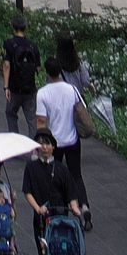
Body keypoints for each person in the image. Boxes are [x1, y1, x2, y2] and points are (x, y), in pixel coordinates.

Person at [34, 33, 99, 217]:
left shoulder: (43, 93)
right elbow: (81, 109)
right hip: (72, 139)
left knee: (54, 174)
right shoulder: (72, 89)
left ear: (48, 72)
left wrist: (39, 145)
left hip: (54, 141)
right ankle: (84, 206)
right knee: (76, 174)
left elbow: (41, 121)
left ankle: (61, 208)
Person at [1, 11, 40, 136]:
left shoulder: (9, 44)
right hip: (30, 88)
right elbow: (38, 68)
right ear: (25, 27)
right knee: (32, 118)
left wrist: (6, 87)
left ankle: (15, 139)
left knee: (10, 113)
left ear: (13, 27)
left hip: (14, 87)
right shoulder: (33, 46)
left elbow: (7, 65)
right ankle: (34, 144)